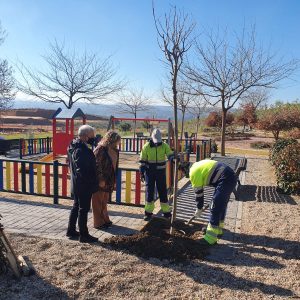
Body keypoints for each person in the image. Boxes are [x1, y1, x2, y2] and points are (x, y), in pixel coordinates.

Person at [180, 159, 237, 245]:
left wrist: (199, 208)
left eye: (183, 173)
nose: (184, 175)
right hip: (229, 177)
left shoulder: (193, 172)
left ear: (184, 169)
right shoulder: (196, 165)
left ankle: (210, 239)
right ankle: (218, 230)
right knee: (221, 205)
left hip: (225, 179)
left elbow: (199, 194)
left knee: (215, 207)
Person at [66, 125, 99, 243]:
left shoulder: (73, 146)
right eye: (92, 136)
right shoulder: (82, 150)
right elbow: (83, 170)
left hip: (76, 183)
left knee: (76, 206)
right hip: (83, 185)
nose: (93, 138)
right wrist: (91, 182)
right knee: (83, 209)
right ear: (85, 136)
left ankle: (71, 230)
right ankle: (84, 235)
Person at [139, 128, 174, 221]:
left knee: (162, 191)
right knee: (149, 192)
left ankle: (166, 212)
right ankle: (148, 213)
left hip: (160, 173)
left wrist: (173, 157)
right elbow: (142, 160)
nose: (157, 143)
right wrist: (141, 172)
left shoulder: (164, 145)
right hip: (149, 173)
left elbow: (170, 154)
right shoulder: (146, 146)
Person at [92, 131, 121, 229]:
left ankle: (105, 219)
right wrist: (100, 179)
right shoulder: (100, 149)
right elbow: (96, 165)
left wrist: (114, 180)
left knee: (104, 201)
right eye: (117, 141)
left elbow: (115, 166)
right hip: (101, 179)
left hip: (109, 178)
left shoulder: (114, 150)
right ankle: (98, 222)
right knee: (97, 201)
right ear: (111, 140)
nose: (118, 143)